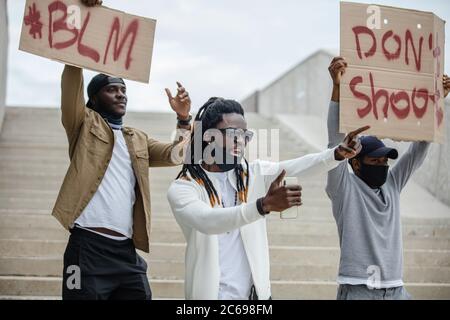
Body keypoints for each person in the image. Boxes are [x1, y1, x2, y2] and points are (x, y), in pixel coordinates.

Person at [54, 0, 192, 300]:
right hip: (86, 249)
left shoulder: (137, 138)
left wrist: (183, 119)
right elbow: (71, 83)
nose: (120, 94)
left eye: (123, 90)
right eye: (111, 89)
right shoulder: (82, 124)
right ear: (93, 98)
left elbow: (176, 155)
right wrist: (78, 38)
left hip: (127, 254)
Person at [167, 97, 368, 299]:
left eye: (245, 134)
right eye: (232, 133)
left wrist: (337, 154)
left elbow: (298, 165)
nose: (241, 140)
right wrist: (261, 206)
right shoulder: (185, 187)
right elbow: (207, 221)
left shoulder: (253, 174)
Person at [326, 57, 450, 300]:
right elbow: (333, 145)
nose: (382, 166)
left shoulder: (391, 185)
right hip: (359, 290)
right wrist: (337, 87)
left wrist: (438, 102)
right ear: (356, 164)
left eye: (384, 161)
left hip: (397, 290)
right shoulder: (344, 189)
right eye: (375, 161)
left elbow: (420, 149)